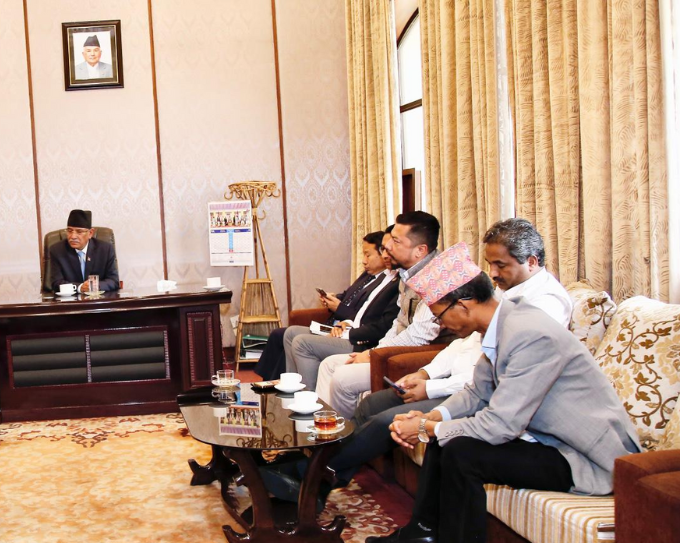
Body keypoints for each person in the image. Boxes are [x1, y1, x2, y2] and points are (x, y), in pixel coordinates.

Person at [262, 220, 574, 503]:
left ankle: (311, 475)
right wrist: (425, 373)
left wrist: (431, 401)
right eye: (490, 264)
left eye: (500, 265)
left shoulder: (543, 306)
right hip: (467, 386)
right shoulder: (506, 294)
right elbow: (464, 347)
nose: (492, 273)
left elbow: (498, 382)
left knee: (390, 421)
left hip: (492, 399)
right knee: (372, 404)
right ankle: (323, 476)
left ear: (531, 262)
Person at [368, 243, 640, 543]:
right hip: (545, 440)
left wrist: (425, 427)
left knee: (461, 452)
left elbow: (501, 424)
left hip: (582, 454)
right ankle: (422, 533)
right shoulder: (501, 325)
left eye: (439, 315)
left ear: (463, 304)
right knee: (446, 440)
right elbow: (477, 393)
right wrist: (432, 416)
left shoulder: (529, 333)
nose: (440, 323)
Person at [286, 211, 453, 409]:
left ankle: (341, 427)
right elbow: (398, 323)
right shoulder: (406, 273)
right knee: (328, 365)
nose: (387, 247)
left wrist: (373, 354)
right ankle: (321, 422)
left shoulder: (437, 277)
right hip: (389, 350)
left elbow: (418, 336)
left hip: (416, 358)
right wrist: (375, 352)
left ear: (420, 250)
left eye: (396, 241)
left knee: (342, 377)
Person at [254, 230, 399, 380]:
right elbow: (351, 298)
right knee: (288, 333)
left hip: (356, 337)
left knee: (298, 341)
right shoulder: (371, 276)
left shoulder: (393, 282)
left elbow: (374, 322)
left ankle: (300, 388)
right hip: (342, 327)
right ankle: (285, 384)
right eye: (383, 250)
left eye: (368, 255)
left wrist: (341, 313)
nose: (364, 261)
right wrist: (334, 301)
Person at [48, 209, 120, 293]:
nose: (73, 236)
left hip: (98, 299)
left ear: (90, 233)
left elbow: (114, 281)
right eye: (70, 231)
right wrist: (80, 287)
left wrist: (95, 286)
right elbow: (56, 283)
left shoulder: (105, 249)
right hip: (70, 300)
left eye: (79, 232)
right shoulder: (57, 250)